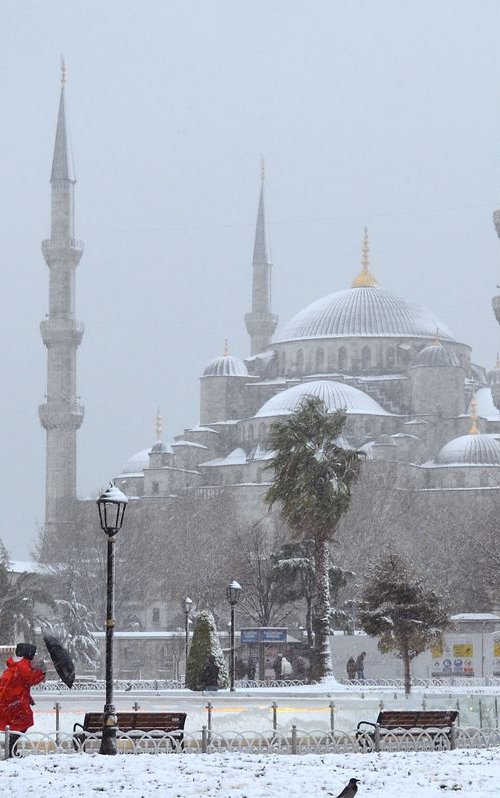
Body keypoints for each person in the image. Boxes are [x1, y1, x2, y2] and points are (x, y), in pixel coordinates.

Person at [0, 643, 46, 757]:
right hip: (16, 701)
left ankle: (11, 749)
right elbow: (30, 678)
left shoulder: (15, 664)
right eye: (33, 653)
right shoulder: (23, 664)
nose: (34, 655)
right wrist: (42, 672)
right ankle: (11, 749)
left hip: (8, 700)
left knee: (13, 726)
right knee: (22, 724)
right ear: (28, 653)